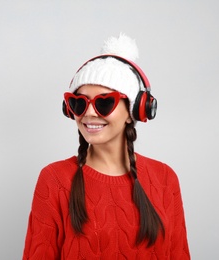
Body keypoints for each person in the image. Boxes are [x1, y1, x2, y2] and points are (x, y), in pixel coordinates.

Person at [22, 33, 190, 259]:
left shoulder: (165, 179)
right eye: (79, 103)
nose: (89, 113)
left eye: (104, 102)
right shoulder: (54, 180)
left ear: (133, 111)